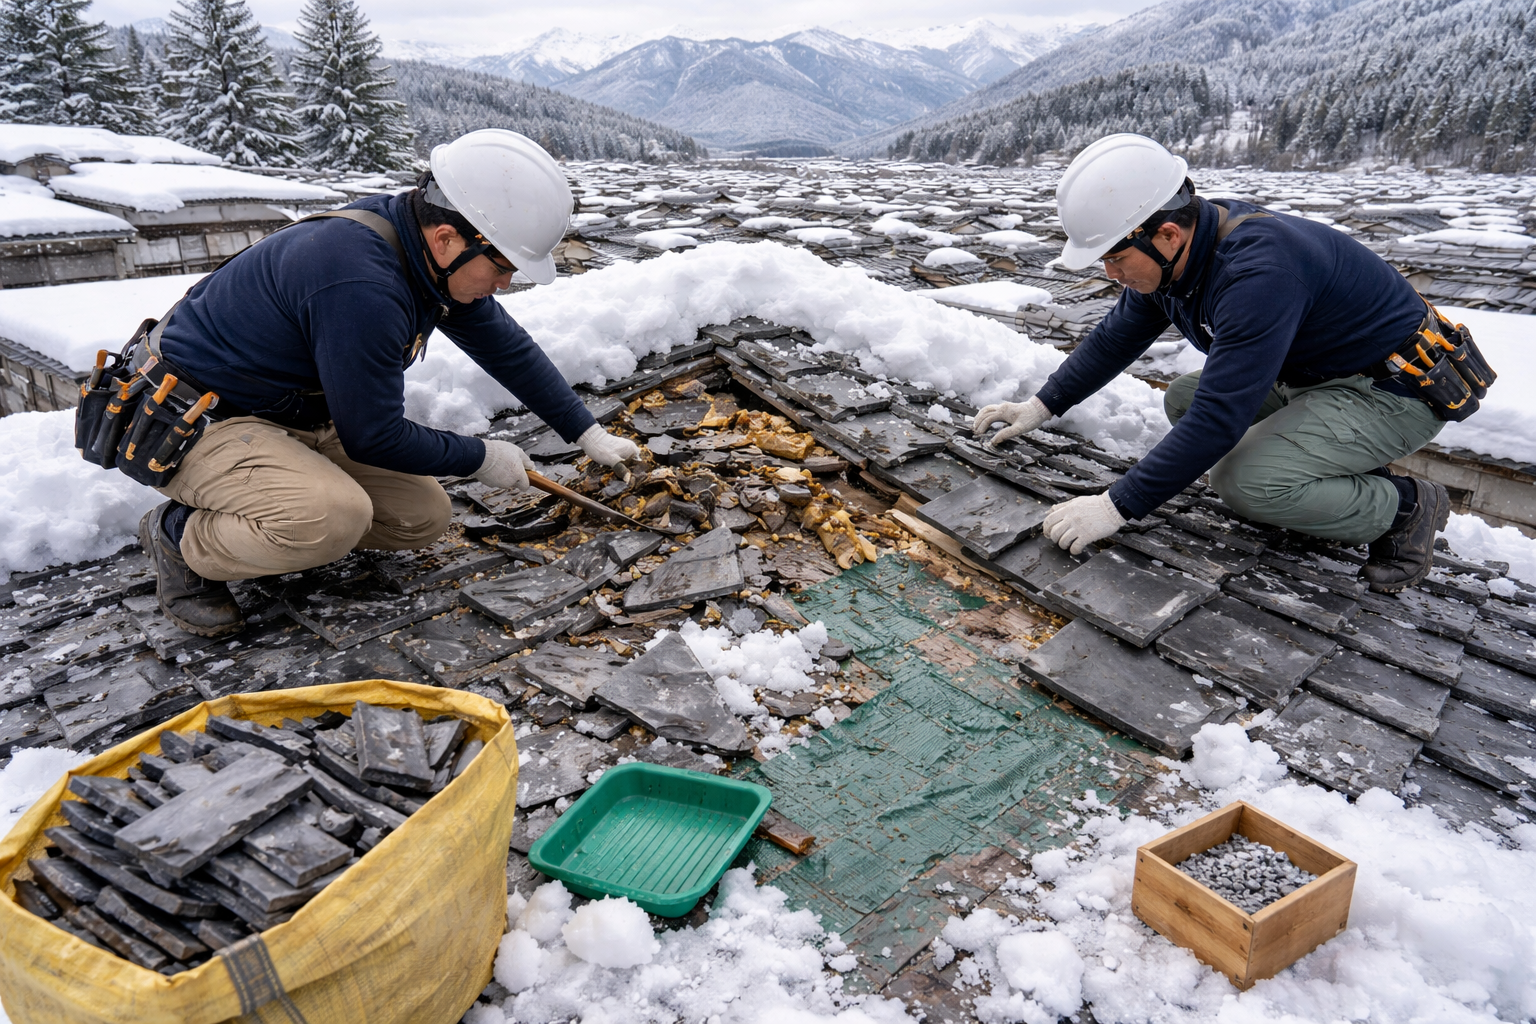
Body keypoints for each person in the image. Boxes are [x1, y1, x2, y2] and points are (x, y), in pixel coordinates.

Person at [133, 129, 639, 637]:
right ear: (447, 239)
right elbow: (374, 436)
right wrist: (481, 456)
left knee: (422, 516)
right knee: (332, 518)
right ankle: (177, 536)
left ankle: (286, 518)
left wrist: (586, 432)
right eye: (504, 266)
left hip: (292, 411)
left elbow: (505, 348)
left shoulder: (424, 250)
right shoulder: (361, 282)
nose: (505, 283)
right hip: (197, 417)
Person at [974, 133, 1461, 594]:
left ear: (1166, 234)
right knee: (1182, 398)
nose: (1111, 273)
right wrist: (1040, 406)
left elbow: (1219, 418)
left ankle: (1406, 507)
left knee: (1240, 482)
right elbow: (1114, 340)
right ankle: (1315, 474)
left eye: (1115, 258)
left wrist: (1114, 507)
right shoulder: (1179, 254)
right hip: (1318, 376)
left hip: (1394, 391)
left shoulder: (1258, 273)